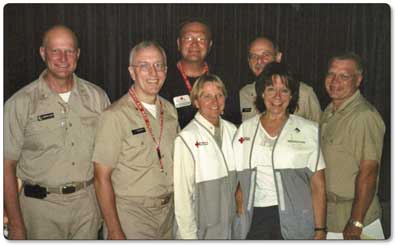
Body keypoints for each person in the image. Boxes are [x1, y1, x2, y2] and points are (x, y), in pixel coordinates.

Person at [3, 24, 110, 239]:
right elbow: (6, 166)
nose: (63, 58)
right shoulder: (20, 103)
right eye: (55, 50)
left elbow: (108, 160)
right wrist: (15, 224)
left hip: (86, 209)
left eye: (69, 50)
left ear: (78, 54)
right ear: (43, 53)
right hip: (38, 212)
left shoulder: (97, 98)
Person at [92, 41, 179, 239]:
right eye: (144, 66)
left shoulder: (170, 111)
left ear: (166, 70)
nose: (153, 73)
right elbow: (101, 178)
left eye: (158, 65)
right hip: (131, 217)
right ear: (132, 72)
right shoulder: (114, 116)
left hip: (168, 215)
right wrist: (114, 230)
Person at [233, 62, 326, 240]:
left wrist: (320, 229)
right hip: (255, 216)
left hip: (297, 216)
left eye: (284, 90)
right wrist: (239, 202)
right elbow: (235, 175)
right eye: (270, 89)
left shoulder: (308, 130)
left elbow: (318, 184)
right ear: (261, 93)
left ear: (292, 95)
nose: (277, 97)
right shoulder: (245, 129)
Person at [321, 52, 385, 240]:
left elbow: (369, 172)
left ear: (358, 80)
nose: (335, 81)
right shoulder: (329, 111)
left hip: (355, 223)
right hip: (330, 219)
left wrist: (356, 222)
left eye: (344, 76)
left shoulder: (364, 116)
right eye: (331, 74)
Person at [173, 74, 237, 239]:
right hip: (201, 232)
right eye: (206, 96)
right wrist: (188, 237)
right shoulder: (186, 138)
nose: (214, 102)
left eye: (219, 95)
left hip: (229, 229)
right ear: (196, 102)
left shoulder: (234, 132)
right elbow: (182, 198)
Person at [160, 18, 240, 128]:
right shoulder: (163, 80)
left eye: (201, 39)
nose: (194, 44)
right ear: (178, 43)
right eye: (188, 38)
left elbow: (233, 120)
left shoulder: (225, 78)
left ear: (210, 45)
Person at [239, 36, 321, 122]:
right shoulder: (244, 94)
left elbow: (321, 132)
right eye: (253, 56)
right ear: (249, 62)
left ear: (278, 57)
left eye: (266, 55)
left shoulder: (304, 93)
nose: (259, 61)